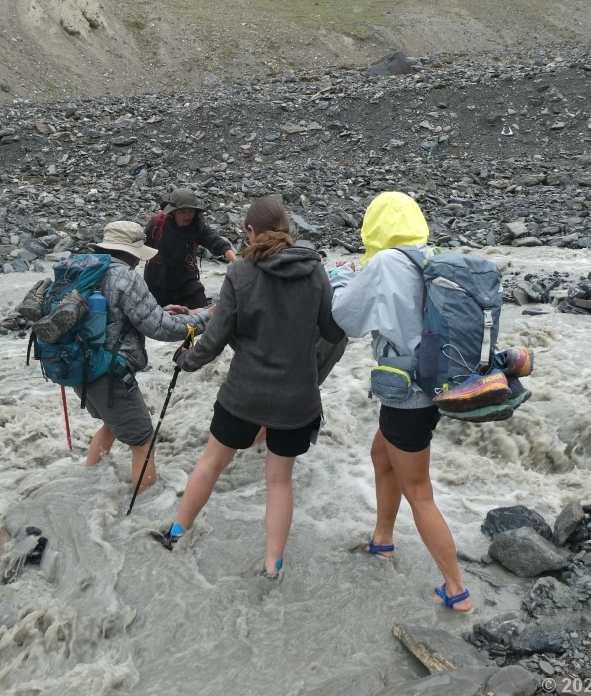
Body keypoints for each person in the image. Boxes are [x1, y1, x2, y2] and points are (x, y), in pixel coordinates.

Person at [154, 197, 345, 578]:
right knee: (279, 482)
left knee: (210, 463)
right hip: (298, 401)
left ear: (250, 232)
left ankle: (176, 533)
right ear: (289, 230)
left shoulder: (240, 274)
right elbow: (332, 330)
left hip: (243, 396)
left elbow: (216, 335)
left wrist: (186, 360)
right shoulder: (315, 272)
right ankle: (273, 567)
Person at [329, 191, 473, 613]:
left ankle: (456, 590)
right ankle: (382, 540)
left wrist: (341, 278)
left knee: (419, 491)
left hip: (406, 394)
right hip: (434, 384)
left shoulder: (384, 263)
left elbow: (347, 320)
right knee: (381, 454)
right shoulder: (434, 257)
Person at [78, 221, 212, 495]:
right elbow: (160, 329)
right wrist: (205, 317)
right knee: (143, 441)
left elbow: (112, 317)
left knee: (112, 424)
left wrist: (160, 310)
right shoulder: (125, 277)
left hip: (81, 369)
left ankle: (87, 487)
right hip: (110, 373)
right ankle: (143, 509)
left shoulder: (88, 269)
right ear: (129, 252)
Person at [143, 187, 238, 309]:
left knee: (202, 316)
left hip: (186, 285)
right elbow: (138, 250)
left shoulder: (197, 226)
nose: (188, 216)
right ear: (173, 211)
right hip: (156, 285)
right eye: (183, 211)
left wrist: (235, 261)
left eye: (191, 211)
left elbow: (216, 242)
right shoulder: (157, 225)